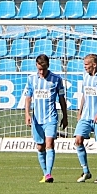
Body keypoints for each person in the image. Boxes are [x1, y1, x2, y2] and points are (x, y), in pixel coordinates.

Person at [23, 54, 68, 184]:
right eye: (39, 69)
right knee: (40, 147)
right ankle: (45, 174)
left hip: (51, 117)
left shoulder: (56, 79)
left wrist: (65, 117)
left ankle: (48, 173)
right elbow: (28, 98)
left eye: (43, 69)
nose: (41, 72)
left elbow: (61, 99)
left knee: (49, 144)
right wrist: (27, 114)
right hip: (37, 119)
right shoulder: (31, 79)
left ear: (48, 66)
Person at [74, 54, 97, 183]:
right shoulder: (85, 76)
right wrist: (80, 112)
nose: (85, 67)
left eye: (86, 65)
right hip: (86, 116)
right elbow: (84, 94)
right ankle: (85, 171)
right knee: (78, 140)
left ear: (94, 65)